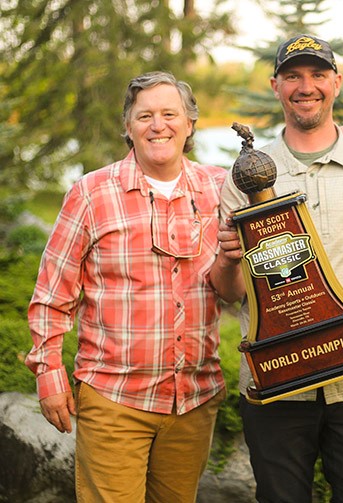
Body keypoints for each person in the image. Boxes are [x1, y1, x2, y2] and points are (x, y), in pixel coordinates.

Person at [211, 34, 343, 502]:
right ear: (275, 85)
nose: (307, 86)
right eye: (293, 76)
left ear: (337, 83)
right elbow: (230, 292)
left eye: (318, 74)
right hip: (276, 383)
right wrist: (226, 261)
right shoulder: (245, 175)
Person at [25, 71, 229, 502]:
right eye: (145, 116)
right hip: (114, 399)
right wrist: (49, 374)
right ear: (128, 126)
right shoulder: (91, 193)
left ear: (190, 123)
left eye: (170, 114)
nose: (159, 125)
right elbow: (52, 293)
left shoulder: (220, 188)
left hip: (193, 400)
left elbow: (282, 190)